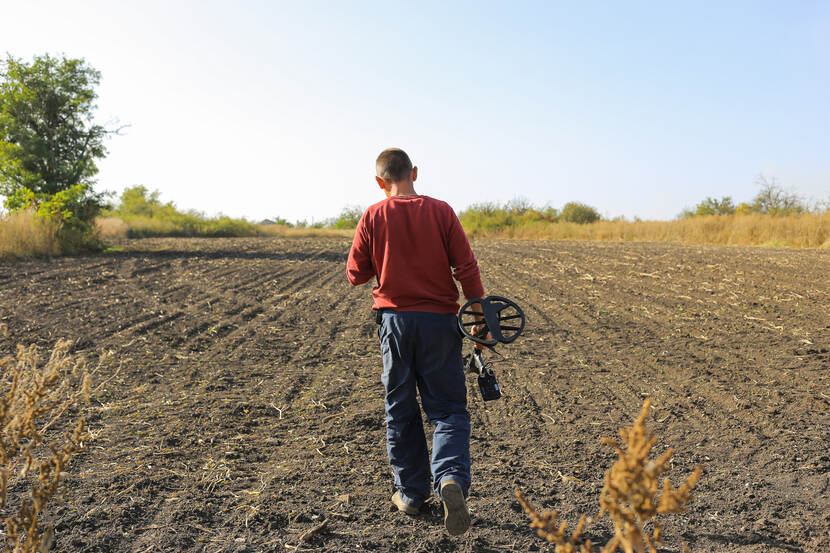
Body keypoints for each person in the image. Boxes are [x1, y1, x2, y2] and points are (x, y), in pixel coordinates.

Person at [346, 148, 485, 536]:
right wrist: (480, 318)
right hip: (441, 322)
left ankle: (410, 493)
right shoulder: (442, 211)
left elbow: (355, 274)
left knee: (400, 407)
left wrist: (384, 256)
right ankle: (450, 479)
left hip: (395, 324)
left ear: (379, 182)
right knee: (448, 409)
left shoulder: (373, 215)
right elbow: (466, 267)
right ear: (415, 173)